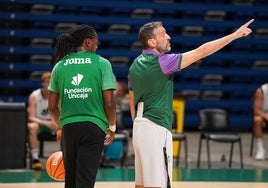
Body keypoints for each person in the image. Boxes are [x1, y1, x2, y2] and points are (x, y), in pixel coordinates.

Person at [128, 19, 254, 188]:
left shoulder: (134, 65)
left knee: (141, 185)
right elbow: (202, 52)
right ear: (151, 42)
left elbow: (131, 100)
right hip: (156, 127)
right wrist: (235, 35)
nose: (169, 37)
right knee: (157, 184)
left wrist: (138, 124)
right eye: (164, 33)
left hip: (138, 128)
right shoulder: (163, 62)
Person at [48, 24, 117, 188]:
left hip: (68, 128)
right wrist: (112, 127)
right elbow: (109, 102)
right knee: (85, 181)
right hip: (93, 128)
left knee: (70, 181)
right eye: (95, 42)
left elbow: (51, 108)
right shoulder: (102, 63)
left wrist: (60, 127)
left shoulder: (59, 66)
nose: (97, 45)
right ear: (87, 42)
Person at [27, 71, 57, 170]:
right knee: (32, 127)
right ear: (42, 83)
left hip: (53, 124)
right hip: (40, 124)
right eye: (47, 82)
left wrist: (56, 122)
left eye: (51, 82)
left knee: (67, 127)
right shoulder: (34, 96)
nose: (49, 85)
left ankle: (65, 159)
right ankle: (35, 160)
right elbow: (30, 117)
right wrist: (47, 123)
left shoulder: (57, 96)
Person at [253, 83, 268, 160]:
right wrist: (266, 116)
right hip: (264, 117)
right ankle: (260, 150)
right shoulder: (261, 91)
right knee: (257, 120)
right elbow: (256, 110)